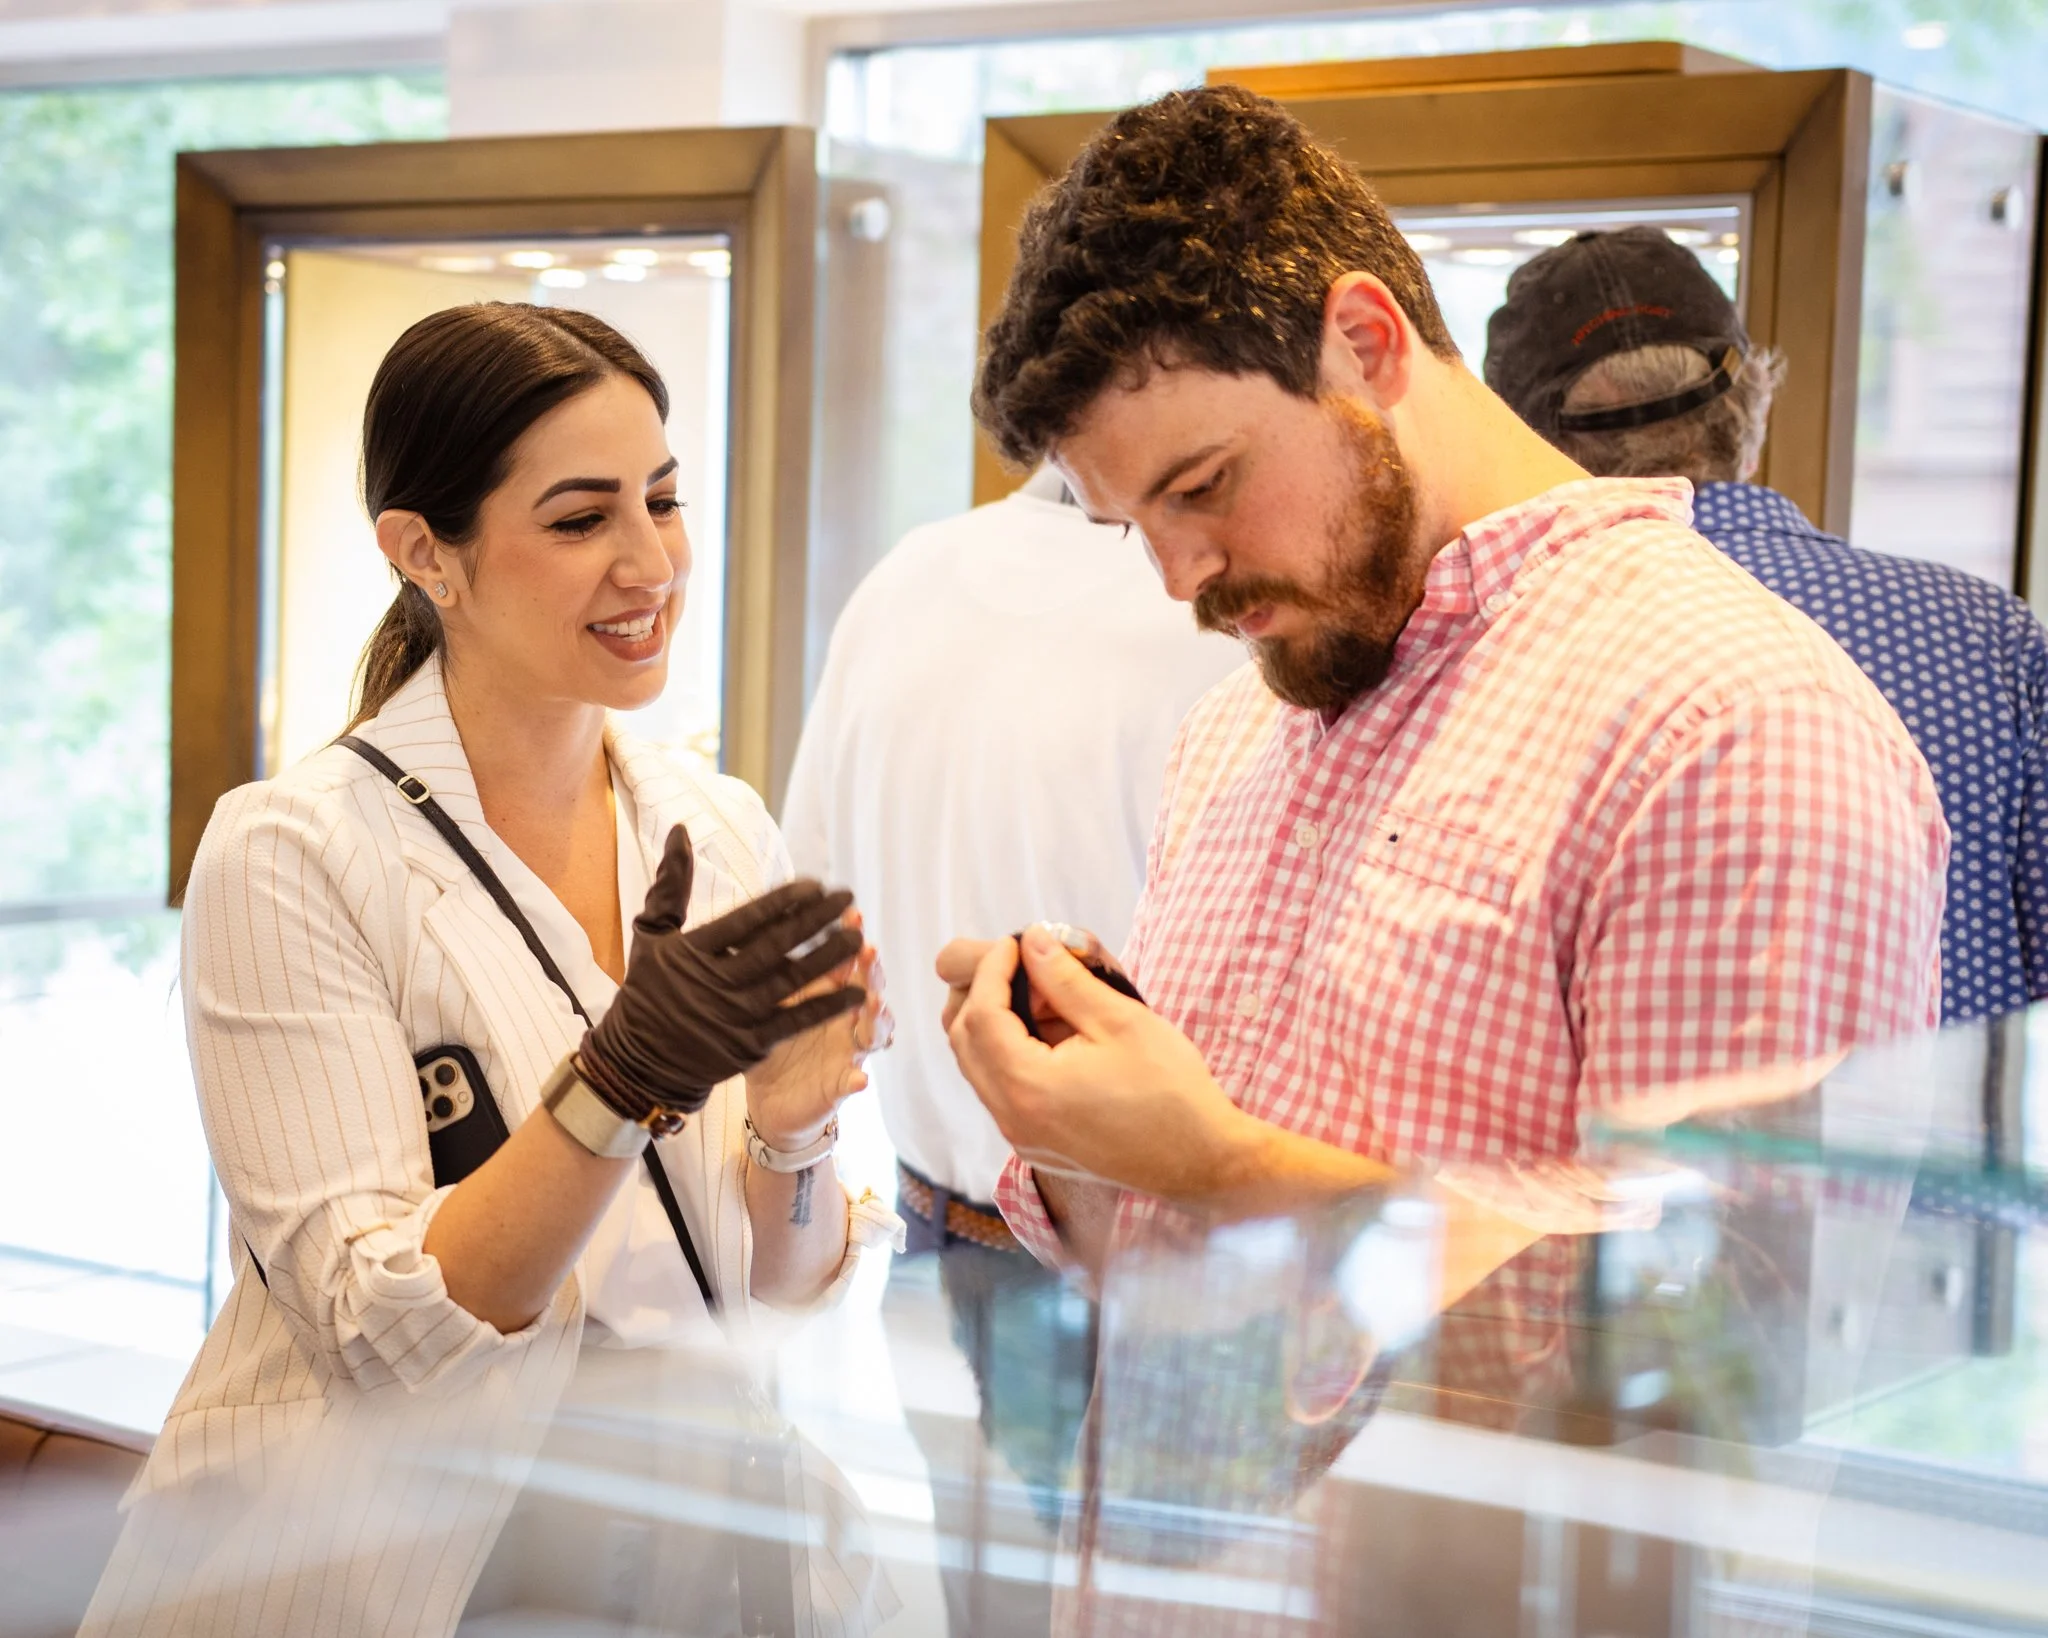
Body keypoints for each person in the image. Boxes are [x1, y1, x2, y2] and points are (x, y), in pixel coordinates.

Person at [938, 82, 1946, 1354]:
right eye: (1134, 523)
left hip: (1465, 1559)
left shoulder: (1731, 725)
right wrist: (1080, 1120)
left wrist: (1220, 1165)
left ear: (1365, 342)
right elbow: (1170, 1291)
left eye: (1203, 486)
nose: (1179, 575)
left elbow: (1732, 1340)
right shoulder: (1238, 730)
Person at [84, 304, 901, 1638]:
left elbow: (779, 1294)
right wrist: (618, 1081)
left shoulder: (715, 825)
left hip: (694, 1554)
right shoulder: (294, 851)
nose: (649, 562)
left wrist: (800, 1124)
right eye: (581, 520)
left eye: (665, 499)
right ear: (427, 554)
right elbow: (382, 1336)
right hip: (394, 1564)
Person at [779, 464, 1240, 1635]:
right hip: (1161, 1239)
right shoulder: (1222, 612)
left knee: (989, 1604)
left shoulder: (899, 583)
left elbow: (812, 914)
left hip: (943, 1225)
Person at [1483, 223, 2048, 1023]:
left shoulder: (1494, 648)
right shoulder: (1986, 634)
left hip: (1636, 1149)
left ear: (1524, 442)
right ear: (1753, 400)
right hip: (1946, 1141)